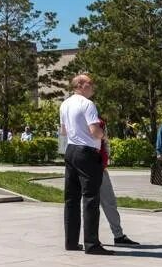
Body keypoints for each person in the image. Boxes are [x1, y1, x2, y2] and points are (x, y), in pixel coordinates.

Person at [59, 74, 113, 255]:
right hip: (87, 153)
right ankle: (92, 244)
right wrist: (104, 136)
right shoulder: (88, 104)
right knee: (90, 198)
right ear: (80, 85)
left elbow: (63, 131)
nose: (93, 87)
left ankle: (71, 242)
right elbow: (94, 131)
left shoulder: (64, 104)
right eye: (90, 84)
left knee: (71, 199)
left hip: (71, 150)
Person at [96, 118, 139, 246]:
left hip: (91, 166)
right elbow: (103, 142)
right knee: (107, 202)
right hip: (97, 168)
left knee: (88, 204)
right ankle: (118, 236)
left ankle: (87, 238)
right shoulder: (97, 123)